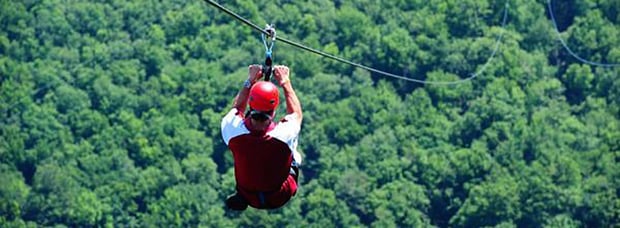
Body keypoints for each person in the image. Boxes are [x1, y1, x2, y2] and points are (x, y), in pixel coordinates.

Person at [220, 64, 303, 210]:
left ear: (250, 106)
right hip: (280, 195)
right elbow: (296, 114)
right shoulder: (283, 135)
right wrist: (285, 82)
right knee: (294, 155)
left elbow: (237, 108)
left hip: (248, 195)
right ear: (273, 112)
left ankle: (247, 192)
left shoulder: (232, 130)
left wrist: (250, 81)